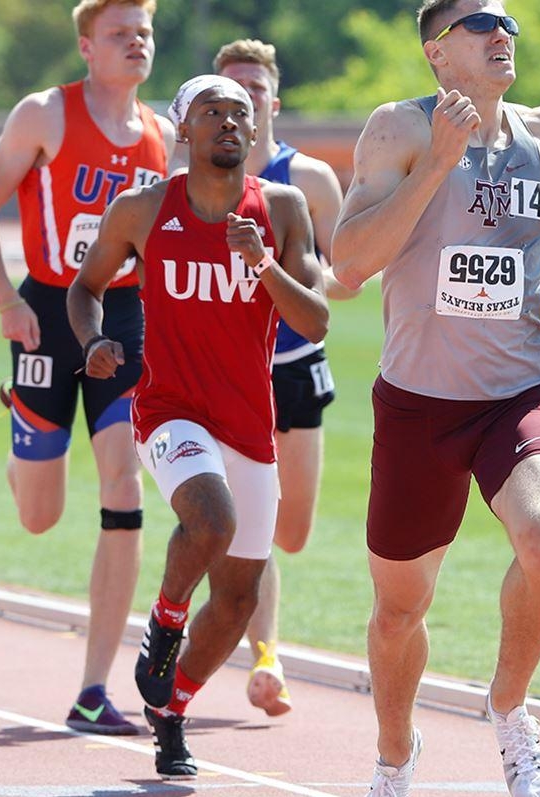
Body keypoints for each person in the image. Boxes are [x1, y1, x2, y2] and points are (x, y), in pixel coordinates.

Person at [329, 2, 540, 796]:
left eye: (508, 21)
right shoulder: (398, 131)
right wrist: (439, 163)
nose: (502, 33)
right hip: (419, 402)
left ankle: (510, 711)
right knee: (400, 610)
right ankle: (396, 754)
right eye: (478, 23)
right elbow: (351, 262)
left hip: (520, 388)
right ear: (438, 54)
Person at [67, 74, 328, 779]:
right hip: (171, 409)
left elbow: (316, 318)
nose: (228, 123)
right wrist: (93, 342)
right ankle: (163, 620)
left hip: (250, 419)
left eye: (239, 112)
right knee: (208, 521)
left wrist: (262, 263)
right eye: (211, 112)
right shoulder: (143, 209)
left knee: (240, 598)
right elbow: (85, 287)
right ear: (183, 130)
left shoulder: (281, 207)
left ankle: (171, 711)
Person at [0, 0, 175, 737]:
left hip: (121, 319)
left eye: (144, 32)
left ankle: (93, 688)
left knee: (124, 481)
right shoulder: (44, 115)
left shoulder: (163, 136)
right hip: (48, 312)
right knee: (39, 514)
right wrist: (3, 303)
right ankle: (21, 420)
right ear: (87, 46)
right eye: (120, 33)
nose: (135, 42)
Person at [213, 37, 360, 718]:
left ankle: (249, 628)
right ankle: (264, 653)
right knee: (250, 515)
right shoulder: (197, 176)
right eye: (230, 92)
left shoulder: (310, 179)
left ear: (275, 96)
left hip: (295, 364)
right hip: (226, 372)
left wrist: (290, 278)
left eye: (255, 89)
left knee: (291, 529)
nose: (245, 102)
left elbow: (348, 275)